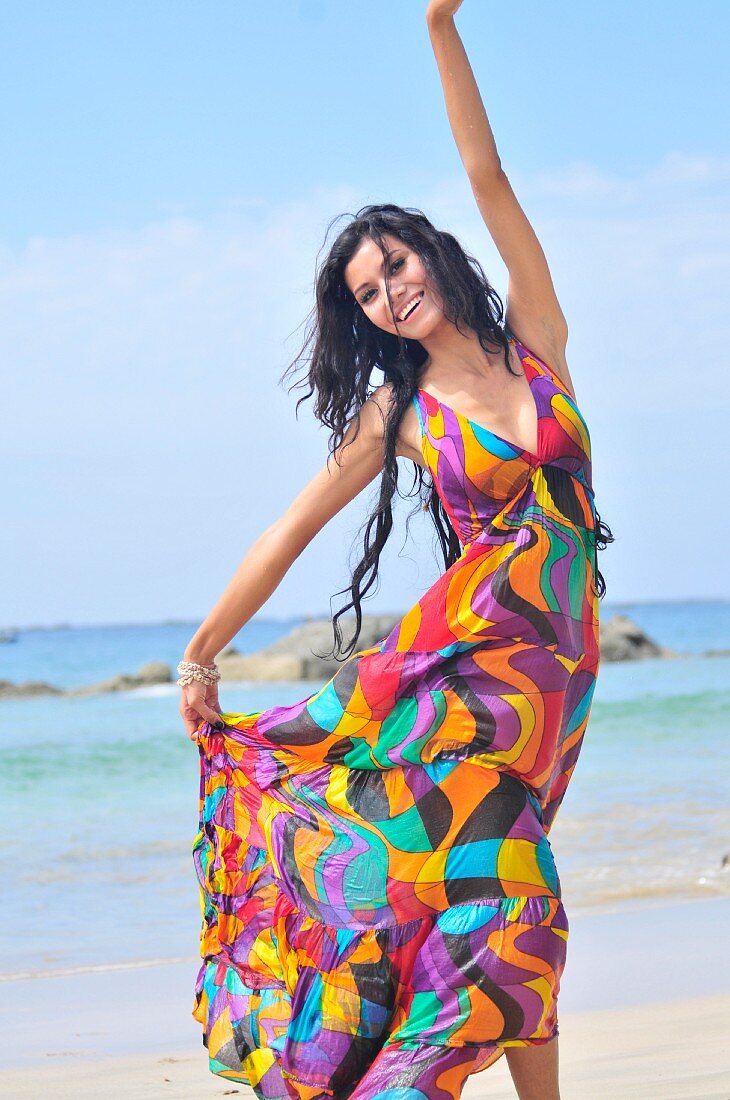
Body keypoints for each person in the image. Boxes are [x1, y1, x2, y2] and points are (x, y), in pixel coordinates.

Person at [179, 2, 614, 1097]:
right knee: (514, 886)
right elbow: (287, 535)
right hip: (464, 680)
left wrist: (438, 26)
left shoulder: (538, 341)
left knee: (484, 889)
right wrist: (201, 651)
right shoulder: (400, 413)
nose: (389, 290)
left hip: (555, 679)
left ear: (427, 251)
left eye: (394, 265)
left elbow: (490, 174)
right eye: (368, 292)